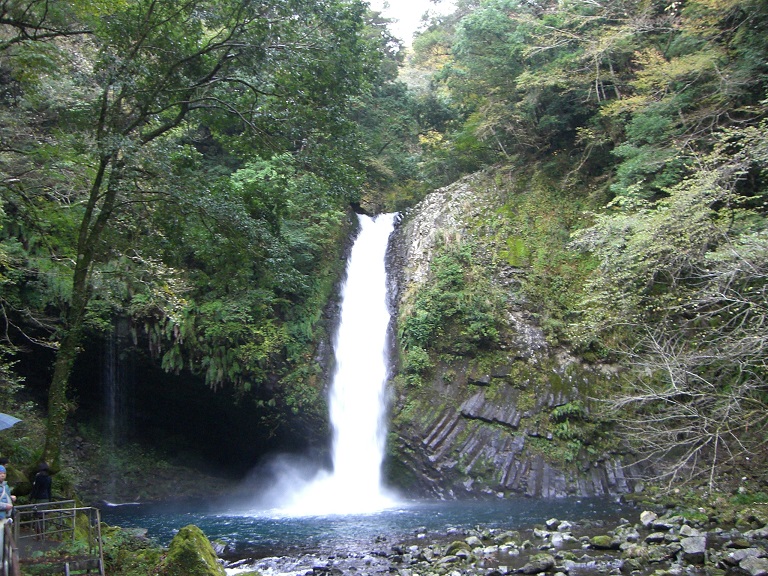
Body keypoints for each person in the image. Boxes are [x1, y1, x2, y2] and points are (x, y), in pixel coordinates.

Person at [0, 465, 14, 562]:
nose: (2, 475)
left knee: (6, 540)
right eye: (0, 474)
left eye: (4, 473)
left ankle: (7, 562)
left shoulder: (6, 486)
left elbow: (6, 497)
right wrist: (5, 506)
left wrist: (11, 498)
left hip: (5, 516)